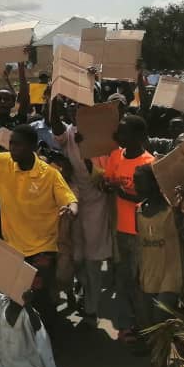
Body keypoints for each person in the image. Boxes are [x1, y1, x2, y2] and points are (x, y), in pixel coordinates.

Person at [0, 124, 78, 334]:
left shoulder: (49, 174)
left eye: (18, 145)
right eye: (11, 143)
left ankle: (47, 340)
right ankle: (22, 342)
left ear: (32, 147)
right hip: (13, 248)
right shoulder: (2, 162)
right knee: (16, 297)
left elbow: (70, 200)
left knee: (42, 299)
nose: (12, 148)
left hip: (42, 249)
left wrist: (71, 210)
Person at [50, 101, 112, 328]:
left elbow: (105, 177)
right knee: (74, 258)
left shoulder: (104, 137)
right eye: (73, 108)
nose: (76, 112)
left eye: (81, 108)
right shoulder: (68, 133)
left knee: (92, 262)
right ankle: (80, 291)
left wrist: (87, 153)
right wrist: (54, 98)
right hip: (74, 198)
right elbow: (54, 125)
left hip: (98, 202)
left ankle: (91, 310)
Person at [133, 164, 184, 367]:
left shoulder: (173, 211)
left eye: (139, 181)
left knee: (158, 320)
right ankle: (176, 333)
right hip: (148, 271)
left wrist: (182, 221)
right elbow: (140, 244)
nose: (134, 185)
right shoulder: (138, 209)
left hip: (171, 271)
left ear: (155, 183)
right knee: (149, 320)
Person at [104, 115, 155, 341]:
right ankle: (128, 325)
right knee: (124, 280)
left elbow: (150, 199)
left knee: (140, 282)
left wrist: (121, 192)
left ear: (139, 136)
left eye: (124, 132)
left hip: (140, 232)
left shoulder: (148, 163)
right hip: (120, 230)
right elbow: (108, 181)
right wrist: (108, 186)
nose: (119, 136)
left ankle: (146, 326)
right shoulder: (116, 155)